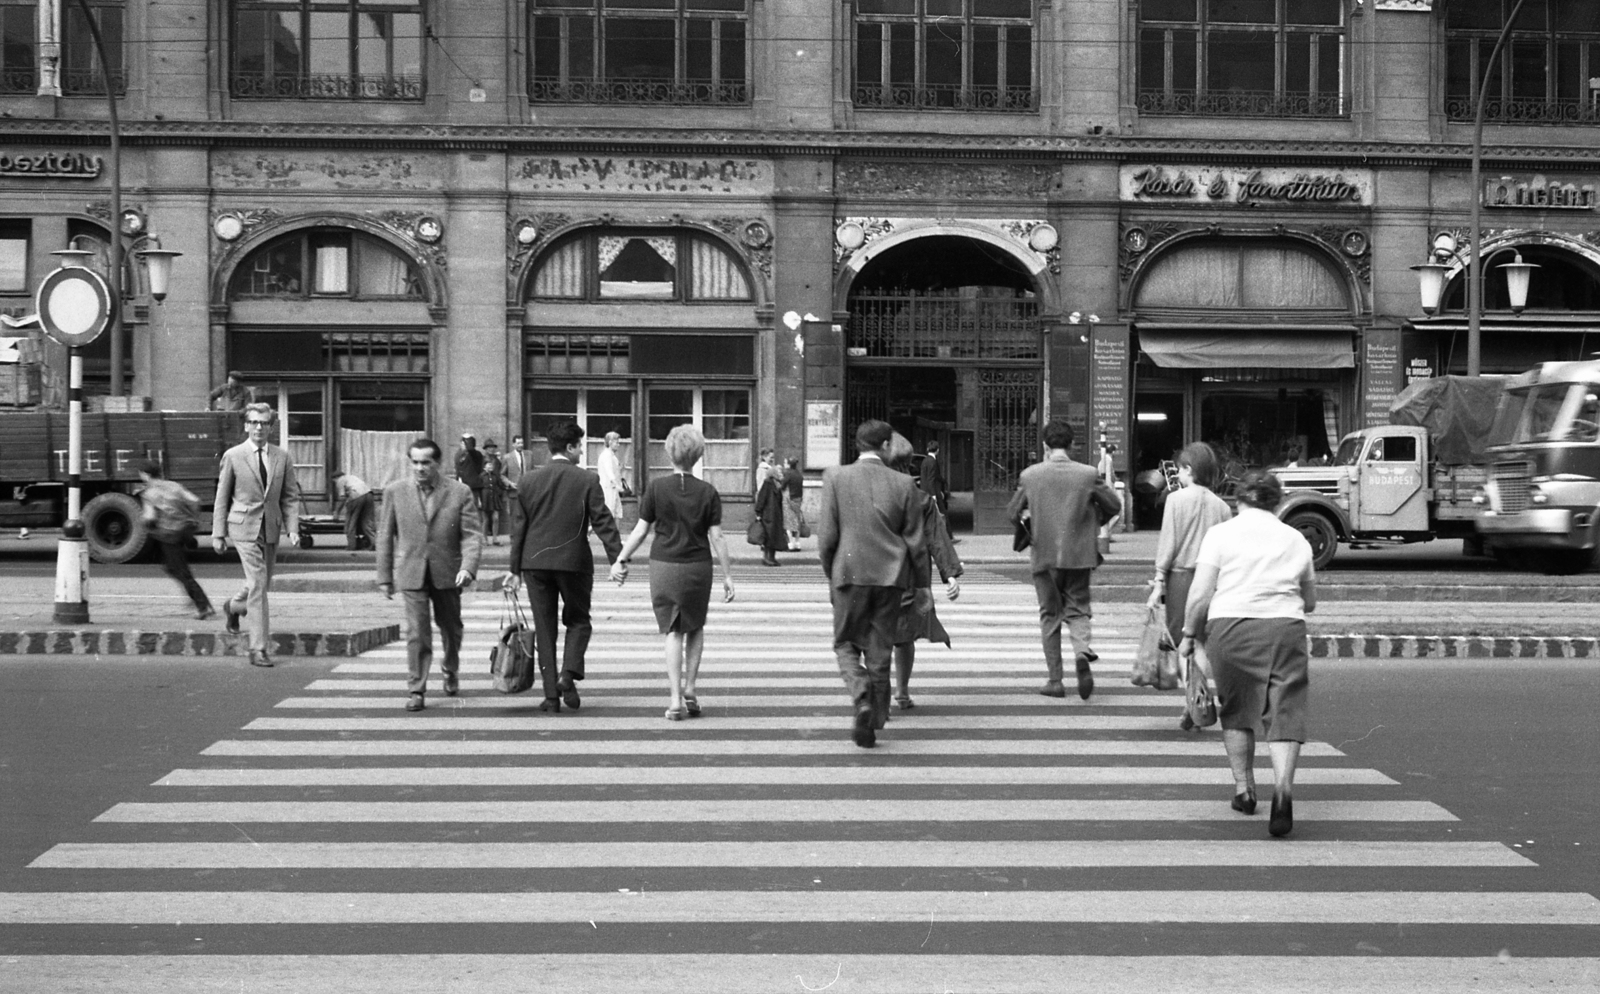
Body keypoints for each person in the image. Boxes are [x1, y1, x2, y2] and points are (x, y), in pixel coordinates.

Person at [1180, 470, 1317, 838]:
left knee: (1238, 709)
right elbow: (1311, 601)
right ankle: (1283, 795)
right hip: (1285, 630)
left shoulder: (1220, 535)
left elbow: (1199, 595)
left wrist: (1189, 635)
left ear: (1237, 500)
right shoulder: (1296, 539)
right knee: (1285, 710)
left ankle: (1244, 790)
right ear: (1277, 501)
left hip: (1231, 629)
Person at [610, 425, 736, 721]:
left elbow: (641, 531)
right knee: (695, 626)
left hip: (664, 565)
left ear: (669, 453)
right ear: (698, 455)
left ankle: (675, 699)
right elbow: (717, 537)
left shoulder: (656, 488)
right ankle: (691, 686)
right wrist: (728, 575)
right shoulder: (708, 492)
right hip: (697, 566)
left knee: (672, 630)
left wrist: (621, 559)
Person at [817, 419, 926, 748]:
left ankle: (860, 694)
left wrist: (831, 572)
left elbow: (827, 537)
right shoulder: (905, 483)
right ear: (886, 446)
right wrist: (922, 586)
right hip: (890, 577)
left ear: (858, 445)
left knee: (844, 643)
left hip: (848, 572)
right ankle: (875, 719)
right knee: (880, 650)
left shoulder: (835, 477)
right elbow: (915, 542)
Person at [506, 421, 623, 712]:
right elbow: (603, 521)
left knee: (544, 629)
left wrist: (515, 570)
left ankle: (550, 697)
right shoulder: (586, 480)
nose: (582, 451)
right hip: (574, 563)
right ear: (570, 447)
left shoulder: (528, 481)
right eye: (580, 446)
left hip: (535, 564)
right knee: (579, 620)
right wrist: (618, 559)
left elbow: (518, 528)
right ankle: (567, 674)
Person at [1007, 419, 1121, 700]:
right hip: (1079, 554)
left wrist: (1029, 519)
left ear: (1045, 446)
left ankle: (1055, 681)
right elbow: (1114, 505)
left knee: (1050, 614)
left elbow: (1012, 513)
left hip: (1044, 555)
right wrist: (1096, 519)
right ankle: (1082, 653)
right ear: (1071, 446)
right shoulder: (1087, 473)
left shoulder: (1030, 475)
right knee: (1078, 609)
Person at [376, 438, 484, 713]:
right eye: (415, 462)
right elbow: (385, 536)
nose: (420, 468)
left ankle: (450, 667)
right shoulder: (395, 492)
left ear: (437, 463)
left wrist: (467, 568)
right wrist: (385, 577)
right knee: (417, 632)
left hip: (448, 572)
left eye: (426, 462)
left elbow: (472, 535)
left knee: (451, 628)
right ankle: (417, 688)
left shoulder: (459, 492)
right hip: (412, 573)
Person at [1148, 442, 1232, 729]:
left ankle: (1197, 697)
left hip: (1182, 578)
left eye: (1181, 469)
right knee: (1201, 642)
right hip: (1212, 580)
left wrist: (1159, 578)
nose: (1178, 476)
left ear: (1189, 470)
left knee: (1182, 642)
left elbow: (1168, 542)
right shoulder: (1222, 507)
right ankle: (1194, 702)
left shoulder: (1176, 500)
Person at [212, 402, 301, 668]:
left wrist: (293, 528)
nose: (259, 427)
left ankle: (234, 607)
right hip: (242, 525)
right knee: (259, 583)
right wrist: (218, 533)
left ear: (272, 427)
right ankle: (258, 648)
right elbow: (221, 497)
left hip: (270, 526)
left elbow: (290, 496)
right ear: (246, 426)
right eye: (254, 422)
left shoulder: (282, 457)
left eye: (264, 423)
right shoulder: (233, 455)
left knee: (262, 583)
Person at [886, 433, 961, 711]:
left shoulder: (869, 494)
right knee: (904, 639)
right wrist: (950, 574)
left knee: (878, 637)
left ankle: (878, 693)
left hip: (875, 577)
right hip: (909, 580)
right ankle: (902, 693)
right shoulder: (922, 500)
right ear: (909, 466)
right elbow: (936, 539)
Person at [137, 460, 213, 620]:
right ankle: (202, 602)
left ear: (146, 475)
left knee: (181, 571)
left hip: (168, 534)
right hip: (184, 530)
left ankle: (203, 607)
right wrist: (191, 519)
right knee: (171, 567)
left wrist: (143, 521)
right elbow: (194, 501)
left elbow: (150, 517)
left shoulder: (149, 493)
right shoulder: (174, 486)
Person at [752, 458, 786, 567]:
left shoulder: (777, 484)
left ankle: (772, 557)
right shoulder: (768, 483)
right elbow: (762, 498)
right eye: (779, 472)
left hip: (776, 515)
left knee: (774, 537)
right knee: (768, 538)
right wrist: (758, 512)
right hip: (768, 514)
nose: (781, 474)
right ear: (774, 473)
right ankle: (766, 558)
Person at [330, 470, 376, 552]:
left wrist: (337, 511)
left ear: (335, 478)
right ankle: (374, 542)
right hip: (369, 495)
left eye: (334, 481)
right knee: (366, 521)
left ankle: (352, 545)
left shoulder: (340, 480)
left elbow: (342, 498)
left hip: (355, 496)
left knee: (351, 521)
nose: (334, 483)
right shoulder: (352, 477)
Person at [597, 431, 627, 523]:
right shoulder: (606, 455)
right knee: (609, 514)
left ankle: (615, 536)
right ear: (610, 442)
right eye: (616, 442)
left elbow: (614, 471)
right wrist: (617, 485)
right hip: (608, 489)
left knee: (616, 514)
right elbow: (609, 472)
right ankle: (591, 530)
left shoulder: (612, 456)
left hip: (613, 489)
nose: (618, 444)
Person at [480, 440, 506, 544]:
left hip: (495, 491)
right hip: (485, 494)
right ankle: (484, 538)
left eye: (492, 447)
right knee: (485, 518)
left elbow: (499, 475)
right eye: (489, 447)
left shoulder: (497, 461)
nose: (491, 449)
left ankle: (495, 538)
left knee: (495, 517)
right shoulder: (482, 460)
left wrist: (500, 490)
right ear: (485, 449)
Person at [454, 432, 486, 514]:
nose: (462, 445)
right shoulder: (458, 455)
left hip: (472, 487)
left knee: (472, 511)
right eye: (462, 443)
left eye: (464, 443)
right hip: (460, 486)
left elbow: (471, 449)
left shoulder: (476, 455)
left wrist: (468, 438)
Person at [504, 435, 529, 537]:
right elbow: (501, 474)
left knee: (526, 515)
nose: (520, 445)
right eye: (518, 443)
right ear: (513, 444)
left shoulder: (529, 455)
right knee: (514, 516)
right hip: (514, 492)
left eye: (522, 443)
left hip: (527, 491)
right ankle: (513, 538)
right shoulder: (508, 457)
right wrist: (509, 483)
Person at [919, 439, 949, 517]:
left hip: (924, 491)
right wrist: (933, 494)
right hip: (932, 491)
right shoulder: (932, 462)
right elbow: (931, 479)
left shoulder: (925, 460)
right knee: (942, 514)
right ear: (937, 450)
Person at [781, 455, 805, 551]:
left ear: (789, 465)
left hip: (789, 499)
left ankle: (791, 543)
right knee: (797, 520)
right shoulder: (799, 474)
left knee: (788, 521)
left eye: (785, 463)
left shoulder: (788, 474)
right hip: (798, 499)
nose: (784, 465)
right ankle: (798, 543)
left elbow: (783, 486)